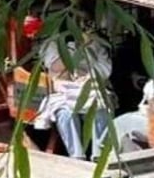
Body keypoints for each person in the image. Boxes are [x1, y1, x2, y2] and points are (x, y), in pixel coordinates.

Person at [35, 32, 115, 160]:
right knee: (65, 114)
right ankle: (77, 156)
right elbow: (56, 67)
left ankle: (99, 154)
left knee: (101, 109)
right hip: (64, 91)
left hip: (92, 87)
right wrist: (73, 51)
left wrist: (88, 76)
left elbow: (104, 69)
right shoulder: (52, 44)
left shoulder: (97, 43)